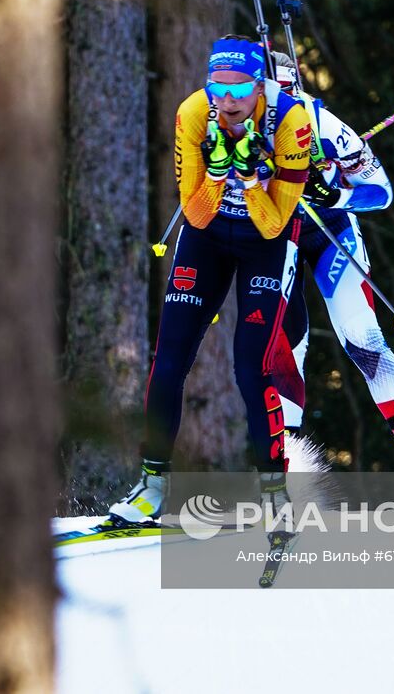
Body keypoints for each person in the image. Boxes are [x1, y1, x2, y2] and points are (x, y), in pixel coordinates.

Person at [108, 36, 312, 524]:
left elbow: (273, 224)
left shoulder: (292, 123)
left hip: (267, 240)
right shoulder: (193, 114)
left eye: (240, 89)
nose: (228, 101)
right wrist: (220, 173)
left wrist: (247, 178)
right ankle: (152, 485)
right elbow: (196, 215)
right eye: (217, 88)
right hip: (209, 235)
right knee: (170, 357)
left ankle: (273, 492)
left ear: (260, 86)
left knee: (251, 367)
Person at [266, 51, 394, 505]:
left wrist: (336, 190)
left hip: (330, 233)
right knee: (284, 348)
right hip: (276, 236)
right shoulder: (238, 126)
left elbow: (382, 192)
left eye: (287, 93)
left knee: (363, 337)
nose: (278, 105)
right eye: (270, 95)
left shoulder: (324, 125)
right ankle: (284, 476)